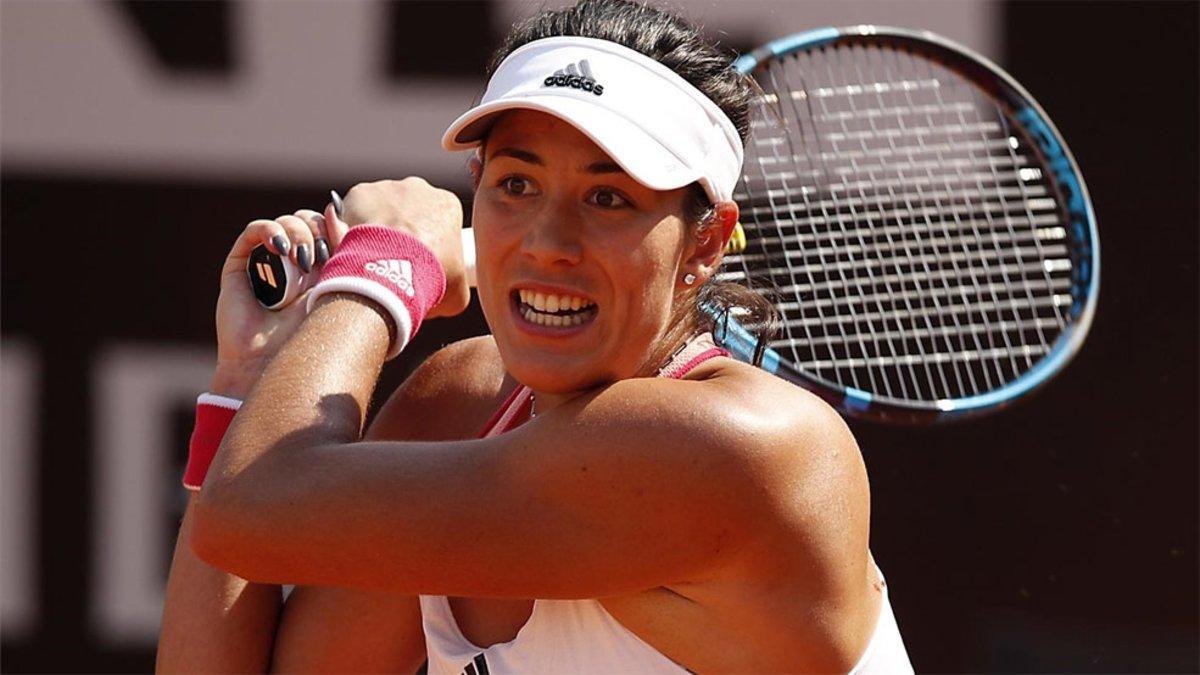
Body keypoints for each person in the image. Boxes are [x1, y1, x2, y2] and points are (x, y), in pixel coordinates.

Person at [158, 0, 913, 672]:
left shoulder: (739, 445)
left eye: (607, 197)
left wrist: (379, 272)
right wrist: (252, 377)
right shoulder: (458, 406)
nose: (549, 242)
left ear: (708, 244)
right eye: (516, 185)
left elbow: (249, 508)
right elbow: (241, 524)